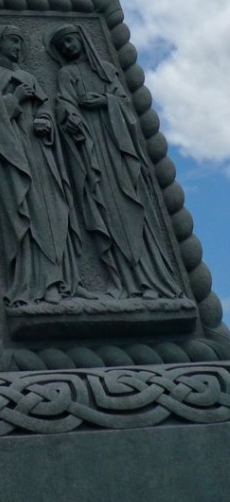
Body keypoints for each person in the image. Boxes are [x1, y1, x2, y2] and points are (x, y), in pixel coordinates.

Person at [47, 24, 183, 299]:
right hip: (91, 151)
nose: (69, 48)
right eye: (64, 47)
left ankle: (152, 281)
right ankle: (124, 282)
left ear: (83, 40)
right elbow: (64, 104)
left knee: (134, 207)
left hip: (118, 147)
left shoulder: (107, 70)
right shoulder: (67, 73)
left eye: (72, 41)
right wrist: (70, 116)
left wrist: (105, 102)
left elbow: (125, 105)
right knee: (105, 210)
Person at [0, 24, 81, 306]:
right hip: (15, 156)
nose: (18, 48)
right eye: (13, 42)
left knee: (55, 209)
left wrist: (45, 120)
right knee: (29, 214)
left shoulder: (27, 75)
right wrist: (14, 100)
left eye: (20, 43)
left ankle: (62, 279)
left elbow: (44, 106)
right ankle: (37, 283)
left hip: (41, 153)